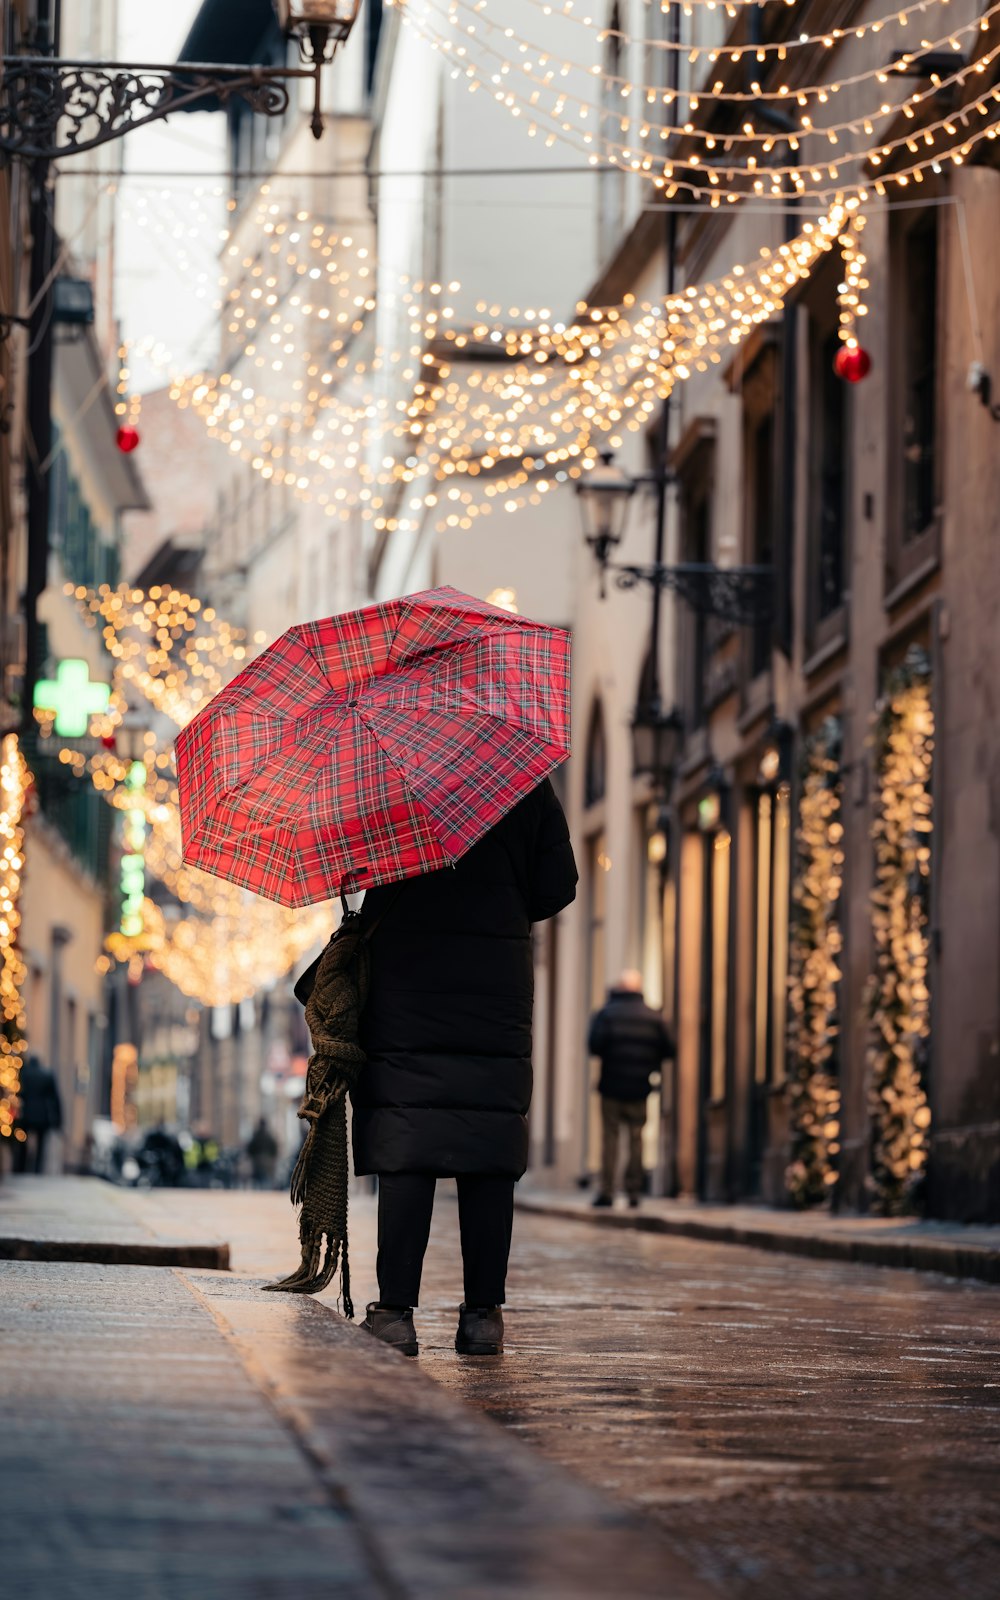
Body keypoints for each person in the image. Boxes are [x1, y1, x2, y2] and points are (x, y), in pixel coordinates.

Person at [353, 777, 577, 1359]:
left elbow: (353, 867)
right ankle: (482, 1316)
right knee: (488, 1150)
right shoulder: (521, 778)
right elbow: (558, 887)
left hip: (406, 988)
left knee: (407, 1143)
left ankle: (395, 1313)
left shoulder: (387, 773)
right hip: (493, 992)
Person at [588, 970, 673, 1210]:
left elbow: (594, 1045)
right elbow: (670, 1048)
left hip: (611, 1085)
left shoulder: (606, 1014)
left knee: (610, 1139)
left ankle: (607, 1190)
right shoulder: (654, 1017)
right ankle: (634, 1190)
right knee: (637, 1139)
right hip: (640, 1086)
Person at [12, 1054, 63, 1175]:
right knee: (41, 1144)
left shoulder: (24, 1075)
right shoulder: (47, 1075)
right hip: (42, 1114)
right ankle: (37, 1169)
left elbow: (19, 1094)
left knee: (22, 1141)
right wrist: (58, 1119)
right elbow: (55, 1098)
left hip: (26, 1113)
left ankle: (21, 1168)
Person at [246, 1117, 279, 1189]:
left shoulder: (256, 1135)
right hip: (267, 1160)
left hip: (257, 1161)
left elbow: (250, 1148)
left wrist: (251, 1156)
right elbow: (274, 1148)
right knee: (267, 1179)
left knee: (258, 1179)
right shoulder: (269, 1136)